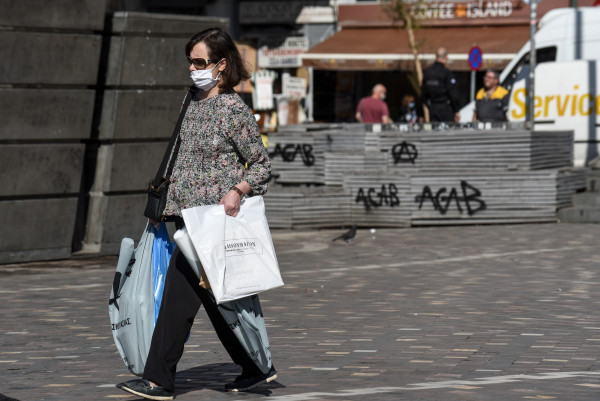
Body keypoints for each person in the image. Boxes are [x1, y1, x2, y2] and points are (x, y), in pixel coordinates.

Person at [117, 27, 275, 401]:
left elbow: (261, 166)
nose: (193, 68)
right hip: (185, 215)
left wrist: (237, 190)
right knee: (215, 300)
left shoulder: (232, 108)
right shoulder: (191, 100)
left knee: (179, 298)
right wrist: (161, 206)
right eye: (190, 61)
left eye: (200, 62)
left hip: (213, 221)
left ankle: (159, 380)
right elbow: (180, 158)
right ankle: (256, 368)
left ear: (221, 65)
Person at [421, 47, 461, 123]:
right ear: (446, 57)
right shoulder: (447, 73)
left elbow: (423, 95)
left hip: (433, 109)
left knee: (434, 132)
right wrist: (456, 110)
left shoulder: (427, 73)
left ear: (435, 56)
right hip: (445, 109)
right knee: (447, 133)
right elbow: (453, 94)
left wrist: (429, 106)